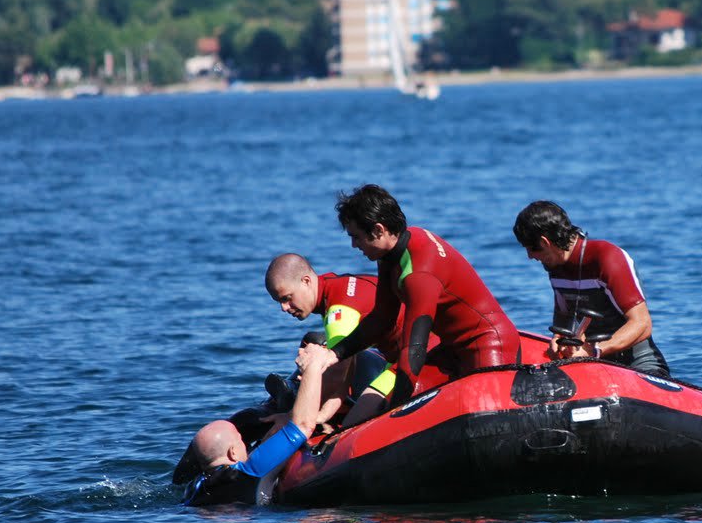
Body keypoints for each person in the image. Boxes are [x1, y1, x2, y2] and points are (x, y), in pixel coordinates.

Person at [316, 184, 520, 404]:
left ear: (378, 230)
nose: (353, 245)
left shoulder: (418, 274)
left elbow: (413, 349)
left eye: (356, 237)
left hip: (489, 344)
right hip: (452, 349)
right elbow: (381, 319)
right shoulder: (392, 253)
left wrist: (396, 411)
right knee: (383, 402)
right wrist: (334, 353)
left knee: (401, 404)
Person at [512, 200, 670, 377]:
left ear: (545, 242)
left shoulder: (607, 258)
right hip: (596, 367)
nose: (530, 257)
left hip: (641, 366)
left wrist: (595, 352)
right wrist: (559, 340)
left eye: (530, 249)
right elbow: (563, 321)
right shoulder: (554, 267)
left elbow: (642, 324)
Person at [180, 342, 329, 506]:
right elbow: (304, 425)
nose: (247, 445)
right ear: (232, 453)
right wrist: (313, 365)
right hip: (253, 521)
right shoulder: (250, 470)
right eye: (241, 441)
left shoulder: (195, 487)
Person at [264, 252, 399, 428]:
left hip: (415, 356)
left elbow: (337, 374)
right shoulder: (334, 285)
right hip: (402, 354)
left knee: (352, 426)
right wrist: (321, 416)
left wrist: (293, 416)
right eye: (279, 302)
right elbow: (345, 368)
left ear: (306, 281)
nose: (284, 308)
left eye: (286, 298)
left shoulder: (339, 311)